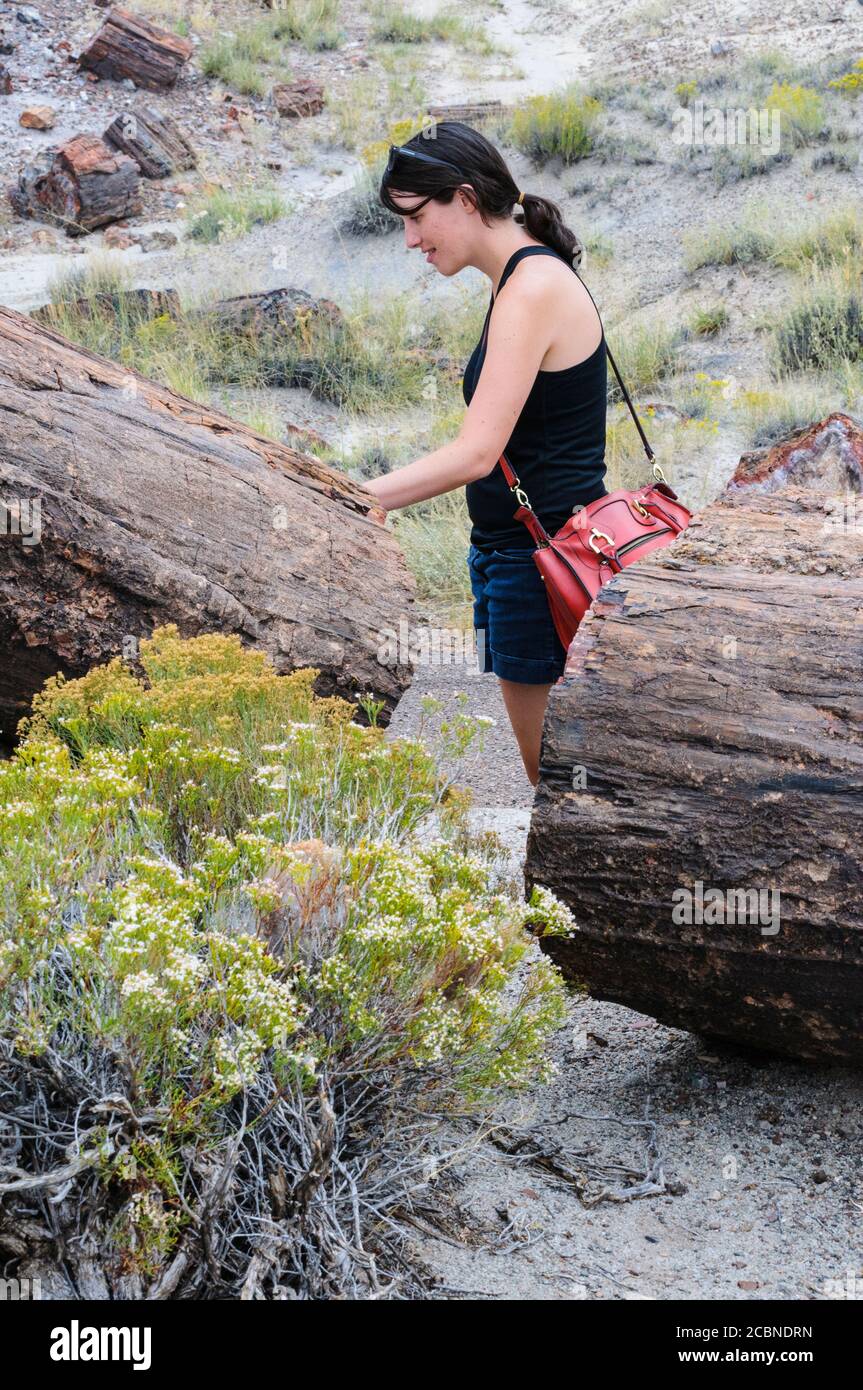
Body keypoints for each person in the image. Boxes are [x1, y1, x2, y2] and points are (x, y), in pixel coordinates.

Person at [362, 121, 609, 787]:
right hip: (514, 556)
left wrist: (355, 499)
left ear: (465, 199)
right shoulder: (514, 278)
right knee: (520, 771)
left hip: (542, 565)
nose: (411, 239)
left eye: (416, 218)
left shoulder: (529, 287)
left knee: (539, 779)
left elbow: (476, 453)